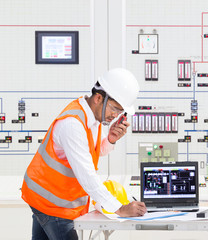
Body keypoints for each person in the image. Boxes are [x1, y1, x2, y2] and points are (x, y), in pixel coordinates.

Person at [21, 68, 147, 240]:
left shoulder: (91, 119)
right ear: (98, 98)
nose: (115, 116)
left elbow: (93, 152)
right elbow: (87, 175)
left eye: (120, 113)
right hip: (53, 205)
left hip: (46, 198)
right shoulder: (73, 124)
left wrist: (110, 139)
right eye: (115, 109)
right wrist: (120, 208)